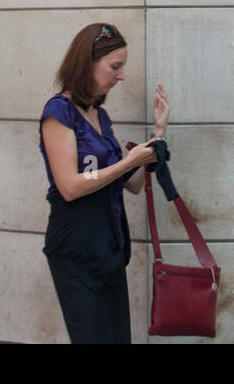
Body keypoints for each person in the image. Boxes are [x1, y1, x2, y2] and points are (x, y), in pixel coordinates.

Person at [39, 23, 170, 343]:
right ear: (86, 64)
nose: (121, 76)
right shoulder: (58, 112)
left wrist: (158, 135)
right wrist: (128, 162)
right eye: (115, 66)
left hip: (109, 247)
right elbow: (69, 186)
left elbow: (133, 184)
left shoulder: (100, 116)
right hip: (75, 250)